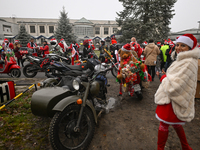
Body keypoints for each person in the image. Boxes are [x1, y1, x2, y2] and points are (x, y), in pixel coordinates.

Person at [155, 34, 199, 150]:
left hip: (173, 99)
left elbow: (174, 87)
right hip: (175, 99)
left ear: (189, 48)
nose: (178, 48)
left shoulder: (188, 62)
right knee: (176, 123)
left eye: (183, 45)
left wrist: (163, 78)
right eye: (178, 45)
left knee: (164, 124)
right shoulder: (184, 59)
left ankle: (160, 148)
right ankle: (185, 146)